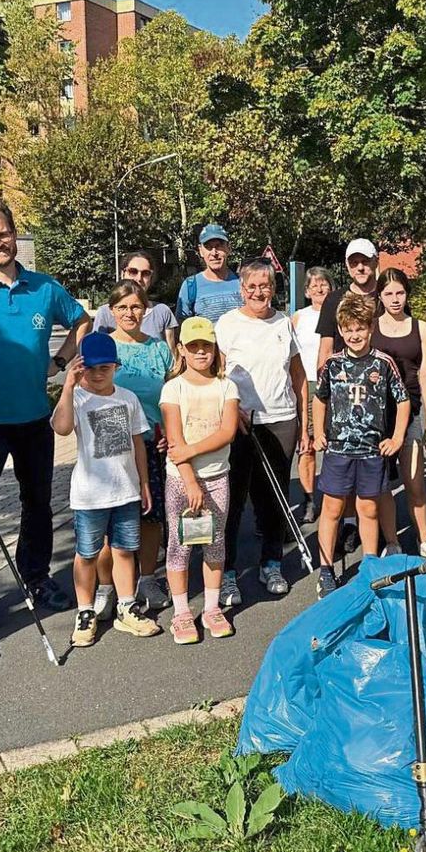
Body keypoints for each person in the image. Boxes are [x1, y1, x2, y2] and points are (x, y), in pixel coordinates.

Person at [0, 197, 92, 629]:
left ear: (14, 231)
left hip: (32, 419)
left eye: (3, 233)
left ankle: (36, 577)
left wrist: (60, 362)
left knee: (38, 504)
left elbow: (81, 321)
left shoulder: (44, 288)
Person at [51, 332, 160, 646]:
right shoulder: (79, 398)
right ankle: (85, 611)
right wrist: (68, 386)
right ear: (81, 368)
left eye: (105, 368)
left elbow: (138, 442)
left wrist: (143, 482)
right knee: (87, 554)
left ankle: (127, 606)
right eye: (91, 368)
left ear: (116, 366)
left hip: (125, 491)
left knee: (125, 550)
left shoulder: (127, 398)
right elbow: (61, 428)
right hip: (89, 495)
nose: (98, 374)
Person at [215, 259, 309, 606]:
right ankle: (226, 573)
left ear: (273, 288)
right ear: (242, 289)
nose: (258, 292)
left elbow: (298, 376)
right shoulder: (227, 324)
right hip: (238, 422)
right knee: (234, 500)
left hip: (281, 418)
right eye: (251, 286)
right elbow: (217, 373)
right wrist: (229, 408)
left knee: (275, 499)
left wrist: (304, 422)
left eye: (264, 286)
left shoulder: (284, 322)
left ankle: (271, 563)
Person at [313, 293, 409, 597]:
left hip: (371, 450)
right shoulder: (332, 364)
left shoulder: (383, 364)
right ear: (341, 331)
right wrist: (318, 432)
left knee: (368, 508)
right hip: (339, 450)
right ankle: (326, 570)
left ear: (370, 329)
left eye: (361, 328)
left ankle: (370, 566)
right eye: (349, 329)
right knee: (332, 508)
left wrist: (397, 437)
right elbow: (320, 398)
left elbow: (403, 401)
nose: (355, 335)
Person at [93, 281, 174, 615]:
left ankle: (147, 578)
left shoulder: (159, 349)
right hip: (111, 440)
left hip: (152, 439)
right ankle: (107, 586)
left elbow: (170, 395)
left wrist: (171, 431)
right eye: (123, 307)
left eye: (136, 307)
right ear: (112, 311)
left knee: (150, 513)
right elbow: (89, 395)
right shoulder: (101, 346)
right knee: (110, 517)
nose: (130, 313)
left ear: (147, 310)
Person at [160, 317, 240, 644]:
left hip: (218, 477)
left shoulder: (226, 386)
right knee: (179, 545)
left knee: (214, 541)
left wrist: (191, 451)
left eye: (206, 345)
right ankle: (180, 613)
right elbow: (174, 440)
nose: (200, 352)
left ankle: (211, 607)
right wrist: (191, 481)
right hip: (181, 481)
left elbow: (227, 431)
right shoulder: (173, 388)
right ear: (181, 349)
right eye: (193, 346)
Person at [371, 269, 426, 562]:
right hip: (378, 415)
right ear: (380, 295)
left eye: (400, 293)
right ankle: (392, 542)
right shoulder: (369, 327)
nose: (395, 299)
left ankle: (425, 539)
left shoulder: (421, 328)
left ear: (407, 294)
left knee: (415, 482)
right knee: (382, 485)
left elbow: (425, 375)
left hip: (413, 411)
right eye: (389, 293)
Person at [316, 238, 380, 552]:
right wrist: (322, 406)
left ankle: (371, 535)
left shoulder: (388, 294)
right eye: (354, 262)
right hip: (342, 403)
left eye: (365, 261)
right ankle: (349, 528)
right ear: (347, 265)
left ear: (375, 261)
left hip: (376, 397)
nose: (360, 267)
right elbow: (325, 352)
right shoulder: (334, 300)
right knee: (337, 490)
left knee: (374, 486)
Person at [291, 267, 334, 523]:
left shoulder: (338, 312)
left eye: (323, 284)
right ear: (306, 291)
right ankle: (309, 499)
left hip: (332, 384)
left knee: (331, 444)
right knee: (306, 446)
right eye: (314, 285)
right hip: (306, 384)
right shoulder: (298, 317)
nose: (319, 289)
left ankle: (333, 496)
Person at [94, 250, 178, 351]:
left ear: (151, 277)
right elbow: (97, 352)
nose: (139, 278)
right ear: (122, 273)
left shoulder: (162, 312)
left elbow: (172, 356)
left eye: (145, 273)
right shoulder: (105, 313)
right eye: (133, 271)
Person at [175, 224, 243, 324]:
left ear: (228, 248)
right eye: (208, 247)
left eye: (219, 246)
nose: (214, 253)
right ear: (201, 251)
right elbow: (181, 327)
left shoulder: (243, 282)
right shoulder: (191, 286)